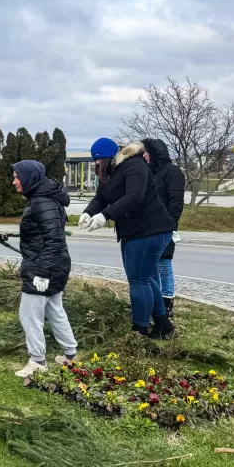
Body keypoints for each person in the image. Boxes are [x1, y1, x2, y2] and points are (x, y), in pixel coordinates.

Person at [79, 139, 175, 337]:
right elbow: (101, 197)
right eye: (94, 161)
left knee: (138, 281)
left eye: (99, 161)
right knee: (145, 278)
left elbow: (134, 196)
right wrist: (89, 212)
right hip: (132, 231)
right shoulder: (110, 172)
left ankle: (139, 331)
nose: (97, 164)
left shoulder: (134, 166)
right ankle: (163, 325)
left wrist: (106, 215)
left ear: (111, 157)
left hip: (150, 229)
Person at [9, 161, 78, 378]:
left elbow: (54, 240)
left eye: (17, 177)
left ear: (29, 177)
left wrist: (41, 273)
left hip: (44, 266)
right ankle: (71, 355)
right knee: (54, 309)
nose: (14, 181)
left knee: (29, 314)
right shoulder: (43, 198)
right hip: (54, 264)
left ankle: (37, 360)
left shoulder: (41, 202)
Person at [141, 137, 184, 337]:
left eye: (146, 151)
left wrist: (170, 226)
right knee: (152, 269)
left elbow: (175, 203)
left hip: (165, 227)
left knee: (164, 266)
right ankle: (156, 304)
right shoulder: (151, 171)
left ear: (155, 152)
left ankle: (167, 305)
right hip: (150, 227)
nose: (144, 155)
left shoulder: (172, 171)